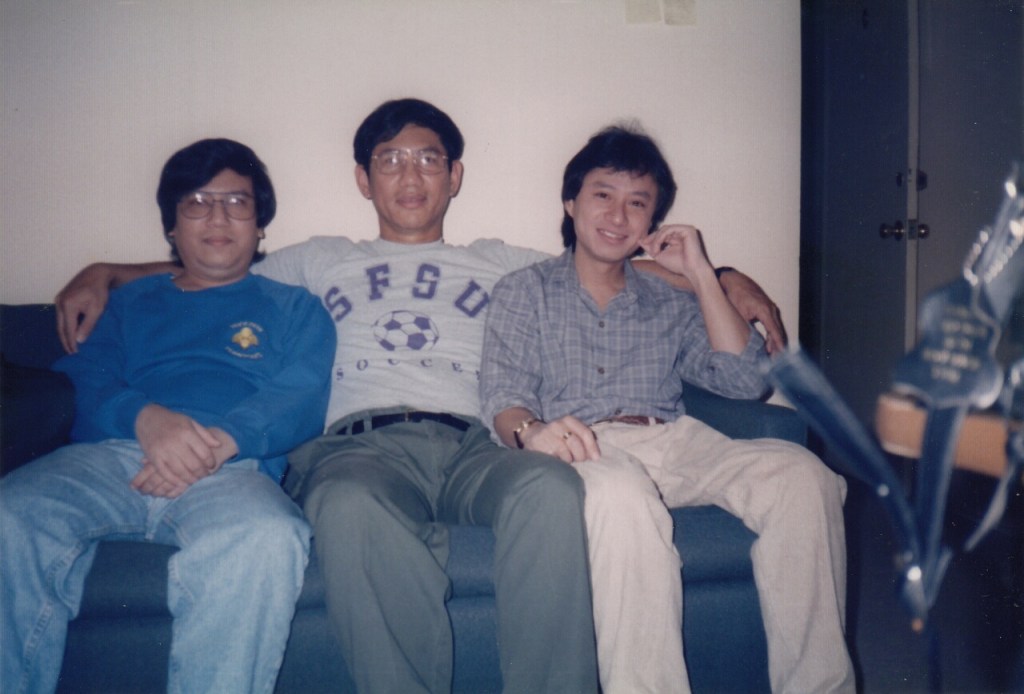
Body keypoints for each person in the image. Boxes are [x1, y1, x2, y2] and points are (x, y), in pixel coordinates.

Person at [52, 98, 787, 693]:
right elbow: (215, 264)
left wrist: (721, 278)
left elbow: (610, 255)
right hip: (359, 448)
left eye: (429, 158)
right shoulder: (320, 261)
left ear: (454, 175)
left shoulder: (497, 261)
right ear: (362, 179)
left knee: (551, 487)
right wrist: (109, 272)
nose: (410, 175)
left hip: (476, 443)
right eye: (390, 159)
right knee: (348, 506)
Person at [479, 125, 855, 694]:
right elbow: (502, 395)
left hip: (673, 439)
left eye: (638, 203)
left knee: (804, 477)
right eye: (602, 194)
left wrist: (702, 275)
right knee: (622, 496)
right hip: (584, 447)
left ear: (652, 221)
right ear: (570, 202)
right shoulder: (523, 290)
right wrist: (532, 432)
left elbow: (745, 381)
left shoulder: (668, 296)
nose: (618, 215)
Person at [1, 138, 335, 694]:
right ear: (172, 227)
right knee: (10, 515)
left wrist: (220, 442)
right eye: (197, 202)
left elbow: (301, 394)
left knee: (268, 537)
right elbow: (82, 375)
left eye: (237, 202)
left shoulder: (295, 307)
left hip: (233, 467)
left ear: (260, 227)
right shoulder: (128, 302)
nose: (218, 217)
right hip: (110, 458)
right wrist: (147, 420)